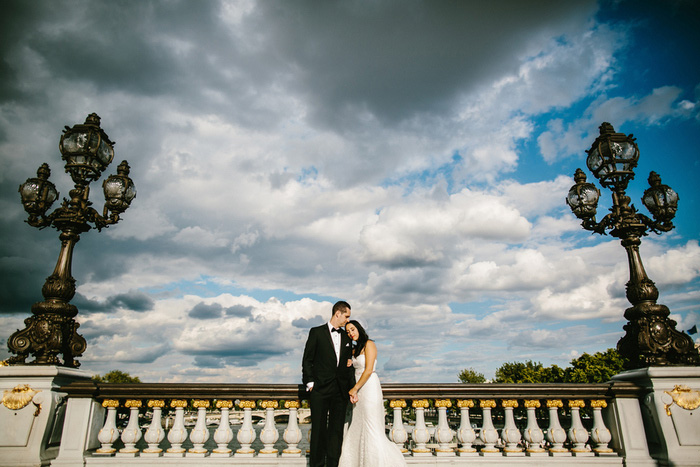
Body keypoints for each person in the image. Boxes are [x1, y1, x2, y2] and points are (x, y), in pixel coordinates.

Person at [338, 320, 407, 467]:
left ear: (359, 329)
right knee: (358, 423)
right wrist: (349, 363)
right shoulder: (354, 350)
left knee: (371, 424)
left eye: (352, 329)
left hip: (368, 388)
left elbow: (368, 370)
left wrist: (355, 388)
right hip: (357, 388)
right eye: (348, 332)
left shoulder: (370, 344)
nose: (350, 333)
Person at [302, 301, 355, 467]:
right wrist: (310, 384)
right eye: (346, 316)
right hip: (320, 390)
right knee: (318, 430)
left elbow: (348, 364)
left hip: (340, 391)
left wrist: (351, 387)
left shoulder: (347, 336)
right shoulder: (316, 332)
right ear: (337, 313)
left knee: (336, 431)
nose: (348, 320)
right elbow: (307, 360)